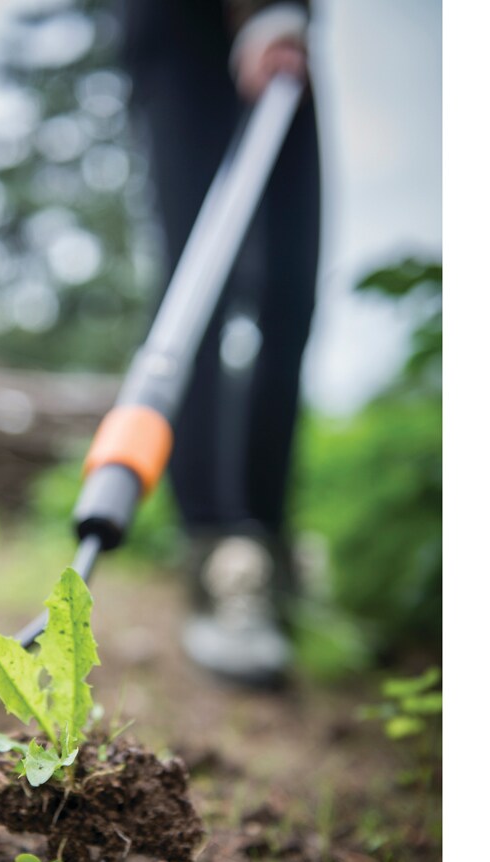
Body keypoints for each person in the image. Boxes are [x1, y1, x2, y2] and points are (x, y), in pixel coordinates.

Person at [117, 0, 320, 684]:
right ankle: (216, 556)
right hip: (180, 26)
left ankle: (264, 548)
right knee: (197, 280)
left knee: (291, 286)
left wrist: (271, 14)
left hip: (283, 25)